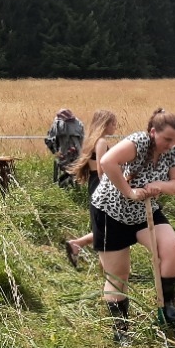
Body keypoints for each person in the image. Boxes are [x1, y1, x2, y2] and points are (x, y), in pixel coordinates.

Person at [90, 108, 175, 342]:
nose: (170, 144)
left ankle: (167, 308)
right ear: (153, 132)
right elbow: (106, 161)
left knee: (171, 249)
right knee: (118, 275)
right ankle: (121, 330)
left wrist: (159, 186)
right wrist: (129, 191)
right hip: (110, 212)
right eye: (167, 139)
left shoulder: (172, 153)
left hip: (145, 213)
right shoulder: (138, 142)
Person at [64, 109, 118, 268]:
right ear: (105, 124)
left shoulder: (91, 141)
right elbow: (102, 168)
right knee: (108, 226)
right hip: (101, 184)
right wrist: (109, 188)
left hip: (94, 183)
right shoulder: (101, 142)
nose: (115, 127)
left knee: (105, 225)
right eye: (113, 123)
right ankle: (105, 264)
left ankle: (78, 245)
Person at [44, 109, 85, 188]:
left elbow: (49, 139)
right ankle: (74, 189)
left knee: (66, 173)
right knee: (74, 173)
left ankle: (64, 188)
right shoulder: (78, 124)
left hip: (63, 154)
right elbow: (82, 140)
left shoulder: (57, 123)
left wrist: (55, 151)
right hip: (77, 155)